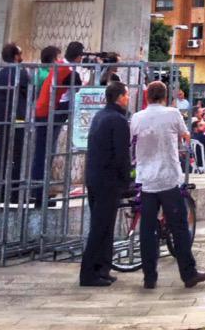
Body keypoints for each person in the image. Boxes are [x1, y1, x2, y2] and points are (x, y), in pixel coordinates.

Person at [130, 80, 205, 289]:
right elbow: (185, 135)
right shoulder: (173, 114)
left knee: (147, 230)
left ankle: (149, 277)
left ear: (148, 97)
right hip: (168, 178)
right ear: (165, 97)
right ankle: (188, 273)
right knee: (179, 228)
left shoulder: (137, 118)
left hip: (146, 180)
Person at [80, 82, 131, 287]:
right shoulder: (117, 120)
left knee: (105, 226)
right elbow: (121, 154)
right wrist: (126, 178)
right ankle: (88, 273)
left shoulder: (101, 116)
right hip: (107, 181)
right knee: (101, 227)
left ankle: (102, 268)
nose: (128, 98)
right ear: (119, 97)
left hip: (95, 178)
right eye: (126, 95)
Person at [30, 41, 84, 206]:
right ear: (79, 57)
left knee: (45, 153)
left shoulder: (60, 65)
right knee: (44, 154)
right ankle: (39, 194)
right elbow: (78, 87)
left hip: (46, 111)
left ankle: (40, 191)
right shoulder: (67, 70)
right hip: (49, 113)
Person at [0, 43, 30, 203]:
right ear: (16, 56)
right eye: (20, 53)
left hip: (0, 117)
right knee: (16, 155)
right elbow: (30, 92)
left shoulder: (0, 73)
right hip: (16, 118)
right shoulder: (20, 72)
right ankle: (13, 193)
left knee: (1, 153)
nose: (21, 57)